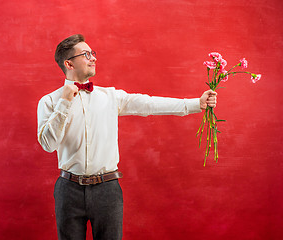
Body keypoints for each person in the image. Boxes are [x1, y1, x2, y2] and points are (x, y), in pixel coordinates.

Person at [37, 34, 217, 240]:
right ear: (69, 63)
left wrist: (196, 104)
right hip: (68, 190)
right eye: (86, 54)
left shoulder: (111, 97)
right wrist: (65, 102)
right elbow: (48, 145)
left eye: (92, 53)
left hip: (107, 189)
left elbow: (149, 104)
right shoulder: (49, 101)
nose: (93, 58)